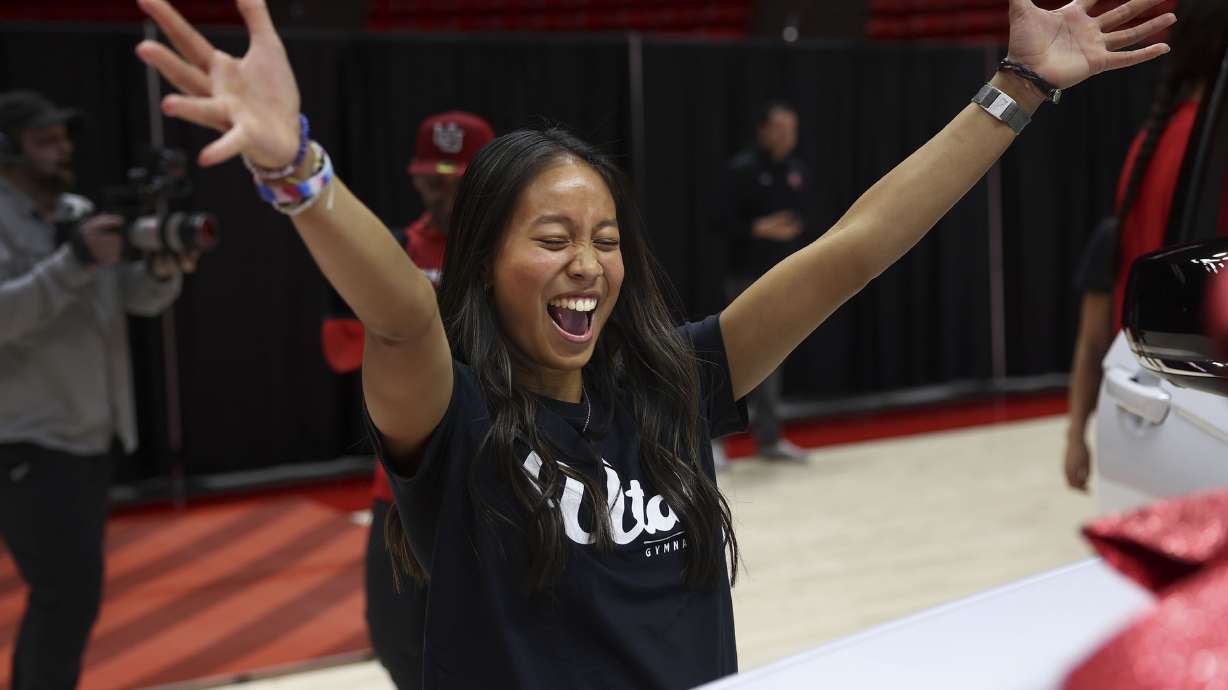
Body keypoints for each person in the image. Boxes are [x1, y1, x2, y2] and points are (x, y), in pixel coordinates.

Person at [135, 0, 1172, 686]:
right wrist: (297, 171)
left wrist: (1018, 89)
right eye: (551, 240)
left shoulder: (675, 379)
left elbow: (854, 248)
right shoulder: (450, 413)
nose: (587, 262)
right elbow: (401, 314)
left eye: (605, 239)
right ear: (485, 262)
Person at [0, 90, 190, 690]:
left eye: (65, 138)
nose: (63, 150)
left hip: (90, 435)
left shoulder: (79, 209)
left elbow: (131, 298)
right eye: (45, 140)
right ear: (7, 151)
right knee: (66, 595)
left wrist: (163, 268)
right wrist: (73, 263)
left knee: (68, 598)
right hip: (28, 438)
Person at [319, 110, 493, 690]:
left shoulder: (519, 255)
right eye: (431, 180)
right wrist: (403, 323)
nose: (441, 194)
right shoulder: (392, 252)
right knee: (397, 642)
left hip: (495, 478)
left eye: (455, 180)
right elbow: (338, 350)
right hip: (400, 488)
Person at [1063, 0, 1228, 492]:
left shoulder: (1150, 146)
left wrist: (1076, 430)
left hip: (1139, 388)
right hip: (1192, 393)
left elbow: (1095, 331)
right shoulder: (1205, 147)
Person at [714, 101, 810, 460]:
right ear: (764, 130)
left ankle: (769, 439)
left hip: (783, 277)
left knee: (773, 358)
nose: (788, 137)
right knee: (734, 355)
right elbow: (718, 223)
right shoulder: (741, 170)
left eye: (793, 130)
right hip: (745, 278)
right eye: (781, 129)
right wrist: (759, 228)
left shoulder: (795, 170)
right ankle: (716, 440)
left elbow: (803, 217)